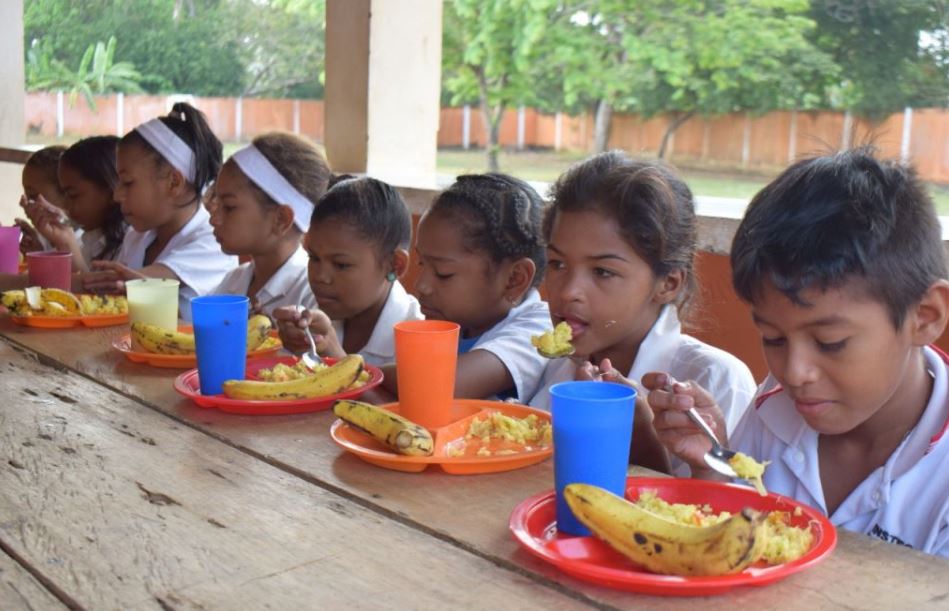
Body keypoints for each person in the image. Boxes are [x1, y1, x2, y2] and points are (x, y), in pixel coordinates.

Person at [646, 148, 949, 557]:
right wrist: (714, 465)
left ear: (925, 317)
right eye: (773, 338)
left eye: (830, 343)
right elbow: (734, 542)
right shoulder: (774, 411)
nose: (795, 372)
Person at [527, 151, 756, 474]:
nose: (567, 292)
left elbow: (721, 514)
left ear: (668, 283)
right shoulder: (557, 367)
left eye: (603, 272)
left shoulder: (717, 382)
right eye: (558, 264)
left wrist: (641, 436)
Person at [387, 173, 551, 402]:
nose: (421, 286)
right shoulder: (459, 323)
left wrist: (364, 374)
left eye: (443, 274)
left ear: (515, 279)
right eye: (421, 263)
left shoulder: (538, 330)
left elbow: (438, 386)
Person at [82, 103, 237, 320]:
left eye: (127, 182)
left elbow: (124, 283)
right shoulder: (139, 234)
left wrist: (26, 282)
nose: (117, 195)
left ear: (173, 182)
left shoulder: (212, 241)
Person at [273, 176, 423, 366]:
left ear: (395, 264)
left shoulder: (418, 338)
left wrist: (335, 355)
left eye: (341, 265)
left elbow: (403, 398)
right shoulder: (313, 318)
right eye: (314, 258)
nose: (320, 277)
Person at [208, 133, 330, 317]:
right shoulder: (233, 282)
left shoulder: (312, 292)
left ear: (280, 219)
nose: (214, 219)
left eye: (229, 207)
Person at [22, 136, 128, 274]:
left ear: (110, 192)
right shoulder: (93, 237)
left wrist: (66, 244)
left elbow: (94, 292)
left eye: (72, 195)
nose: (66, 204)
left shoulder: (129, 242)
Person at [16, 145, 67, 254]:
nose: (23, 203)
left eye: (32, 195)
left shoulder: (86, 240)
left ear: (66, 193)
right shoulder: (45, 235)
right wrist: (38, 249)